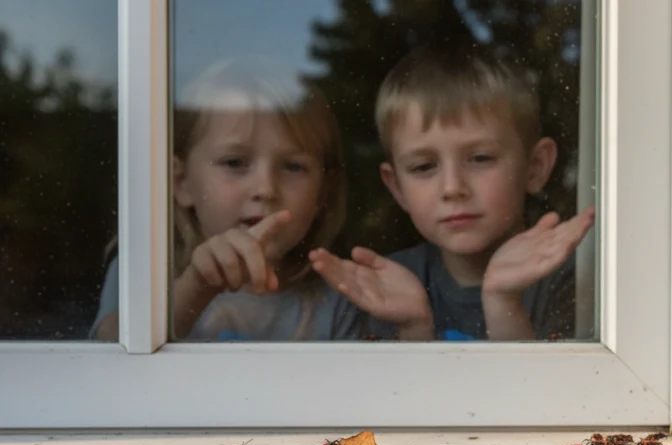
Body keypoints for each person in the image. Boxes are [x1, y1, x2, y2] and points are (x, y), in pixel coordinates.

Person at [309, 42, 594, 341]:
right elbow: (400, 389)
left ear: (534, 167)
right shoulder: (387, 286)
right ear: (397, 188)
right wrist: (413, 327)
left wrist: (503, 302)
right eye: (423, 167)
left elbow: (543, 388)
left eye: (480, 158)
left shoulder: (571, 280)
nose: (452, 188)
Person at [91, 58, 365, 341]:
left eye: (293, 166)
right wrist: (196, 286)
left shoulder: (341, 297)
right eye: (234, 163)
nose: (265, 188)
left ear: (322, 192)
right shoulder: (144, 267)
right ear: (181, 183)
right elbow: (112, 350)